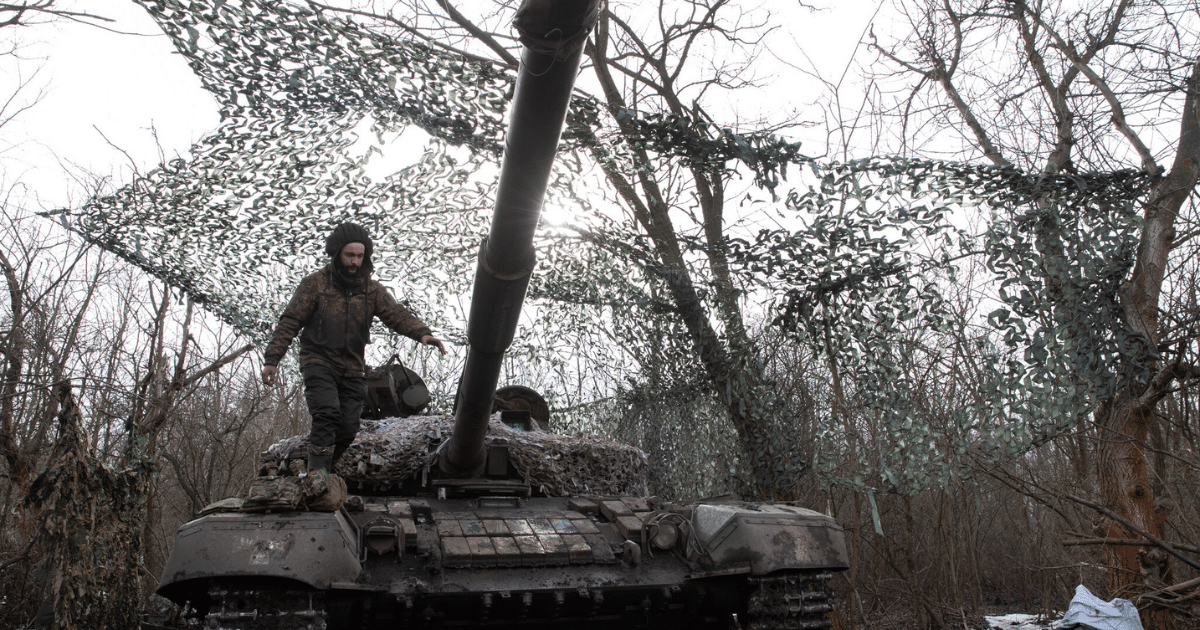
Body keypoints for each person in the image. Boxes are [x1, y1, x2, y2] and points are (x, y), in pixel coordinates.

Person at [260, 222, 446, 473]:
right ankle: (317, 477)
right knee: (326, 414)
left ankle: (321, 469)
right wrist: (272, 359)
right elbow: (290, 321)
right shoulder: (315, 284)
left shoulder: (372, 290)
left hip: (353, 368)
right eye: (349, 255)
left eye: (360, 256)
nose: (354, 262)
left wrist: (422, 334)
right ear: (337, 254)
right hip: (318, 360)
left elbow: (397, 315)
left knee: (348, 428)